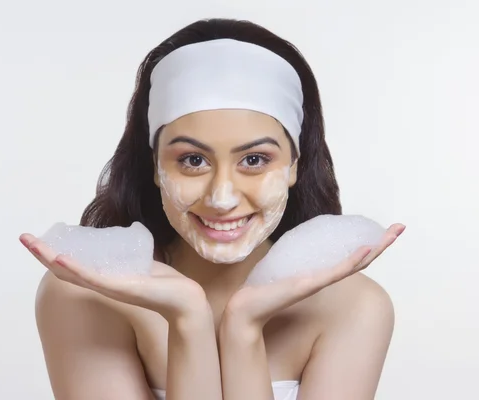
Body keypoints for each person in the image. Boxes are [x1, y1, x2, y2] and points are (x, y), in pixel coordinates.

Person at [20, 18, 405, 400]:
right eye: (192, 160)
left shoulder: (356, 308)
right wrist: (188, 318)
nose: (221, 197)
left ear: (294, 166)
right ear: (155, 167)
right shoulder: (82, 294)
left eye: (254, 160)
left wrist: (244, 326)